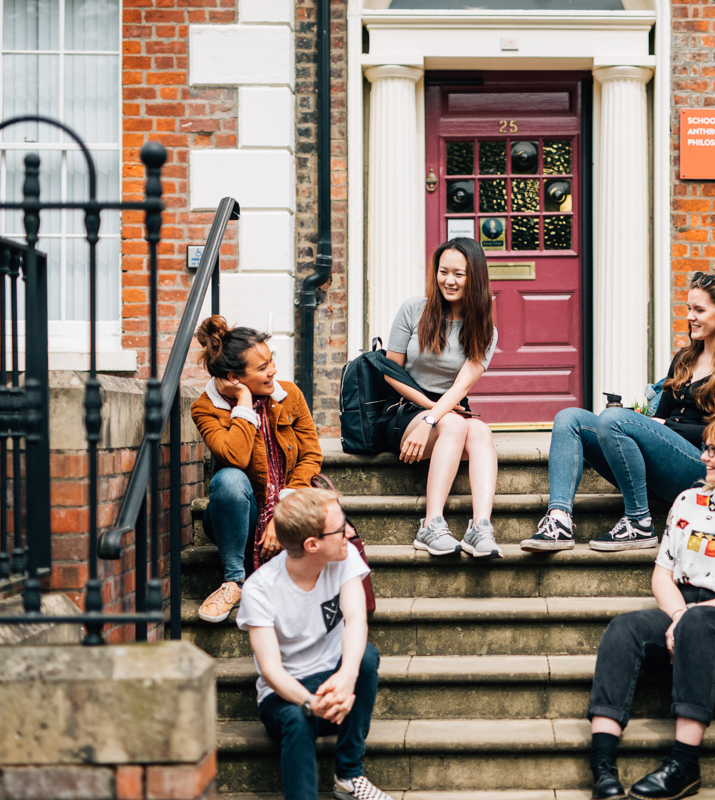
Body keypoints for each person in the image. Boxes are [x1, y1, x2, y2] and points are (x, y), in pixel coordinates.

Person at [586, 414, 715, 800]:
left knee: (701, 620)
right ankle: (603, 763)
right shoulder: (688, 502)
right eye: (707, 447)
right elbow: (662, 576)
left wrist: (692, 619)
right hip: (684, 607)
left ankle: (684, 764)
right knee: (624, 628)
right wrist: (679, 615)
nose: (705, 457)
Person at [521, 272, 715, 553]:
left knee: (613, 419)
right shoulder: (684, 359)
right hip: (656, 466)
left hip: (700, 468)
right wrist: (657, 425)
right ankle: (559, 521)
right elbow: (659, 418)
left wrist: (665, 427)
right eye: (689, 308)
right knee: (569, 418)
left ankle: (639, 521)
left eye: (699, 310)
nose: (690, 316)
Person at [237, 487, 393, 800]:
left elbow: (356, 621)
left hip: (337, 691)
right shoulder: (259, 590)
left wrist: (346, 677)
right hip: (286, 695)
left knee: (366, 657)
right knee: (297, 718)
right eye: (340, 528)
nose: (349, 532)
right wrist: (310, 702)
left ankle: (349, 774)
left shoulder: (343, 558)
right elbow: (270, 669)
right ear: (312, 545)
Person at [191, 316, 323, 623]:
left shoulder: (289, 395)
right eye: (262, 367)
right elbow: (234, 456)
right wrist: (244, 403)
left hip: (288, 506)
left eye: (271, 360)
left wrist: (283, 513)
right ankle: (234, 581)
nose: (273, 371)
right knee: (228, 479)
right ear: (235, 377)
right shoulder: (206, 408)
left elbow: (311, 455)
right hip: (236, 514)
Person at [379, 237, 500, 559]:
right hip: (405, 405)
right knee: (456, 426)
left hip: (450, 405)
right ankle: (431, 524)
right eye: (443, 272)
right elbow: (391, 372)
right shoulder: (413, 310)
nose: (449, 280)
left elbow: (460, 388)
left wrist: (437, 415)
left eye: (459, 274)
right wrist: (431, 414)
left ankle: (481, 527)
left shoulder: (484, 327)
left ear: (475, 277)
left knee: (481, 432)